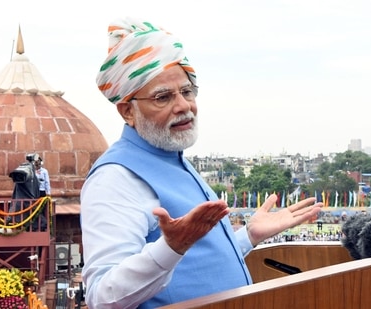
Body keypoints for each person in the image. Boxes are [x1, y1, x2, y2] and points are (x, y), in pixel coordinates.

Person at [80, 17, 323, 309]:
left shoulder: (172, 156)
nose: (183, 105)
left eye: (186, 91)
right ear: (127, 112)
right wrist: (171, 247)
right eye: (163, 97)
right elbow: (102, 297)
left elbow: (196, 264)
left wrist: (247, 236)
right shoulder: (117, 178)